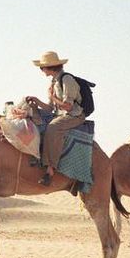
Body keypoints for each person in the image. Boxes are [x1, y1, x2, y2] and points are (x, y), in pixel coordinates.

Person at [25, 51, 86, 186]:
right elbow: (50, 108)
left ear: (49, 67)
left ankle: (50, 169)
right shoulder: (54, 82)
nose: (41, 70)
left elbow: (68, 106)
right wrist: (36, 101)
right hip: (61, 114)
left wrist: (53, 97)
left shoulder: (67, 80)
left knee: (53, 127)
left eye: (42, 67)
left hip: (74, 115)